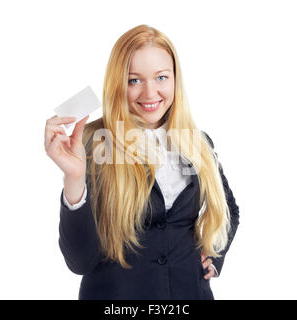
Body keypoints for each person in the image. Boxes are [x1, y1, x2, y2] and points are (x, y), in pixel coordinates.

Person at [44, 24, 240, 300]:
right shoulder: (93, 142)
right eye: (134, 80)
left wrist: (214, 257)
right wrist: (74, 178)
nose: (150, 93)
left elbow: (228, 208)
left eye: (161, 77)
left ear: (175, 79)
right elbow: (80, 262)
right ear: (117, 82)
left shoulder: (197, 142)